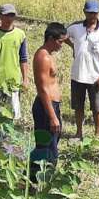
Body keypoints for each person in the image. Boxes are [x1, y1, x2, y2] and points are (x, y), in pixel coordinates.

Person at [65, 0, 99, 138]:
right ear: (84, 12)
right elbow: (63, 35)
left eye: (95, 13)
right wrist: (72, 45)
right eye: (89, 12)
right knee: (78, 107)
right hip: (77, 75)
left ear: (98, 13)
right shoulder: (75, 28)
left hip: (94, 77)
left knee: (97, 108)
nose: (92, 16)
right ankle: (79, 132)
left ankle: (98, 133)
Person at [30, 22, 68, 179]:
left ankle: (40, 178)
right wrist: (52, 116)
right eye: (60, 41)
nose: (61, 45)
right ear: (51, 39)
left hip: (51, 105)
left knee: (50, 144)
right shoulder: (43, 57)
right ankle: (37, 180)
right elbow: (43, 88)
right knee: (46, 147)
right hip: (46, 107)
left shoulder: (48, 55)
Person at [0, 4, 29, 120]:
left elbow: (23, 59)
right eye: (7, 15)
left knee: (12, 115)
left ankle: (8, 137)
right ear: (0, 16)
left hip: (13, 81)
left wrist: (25, 79)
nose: (10, 18)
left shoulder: (20, 35)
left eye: (12, 15)